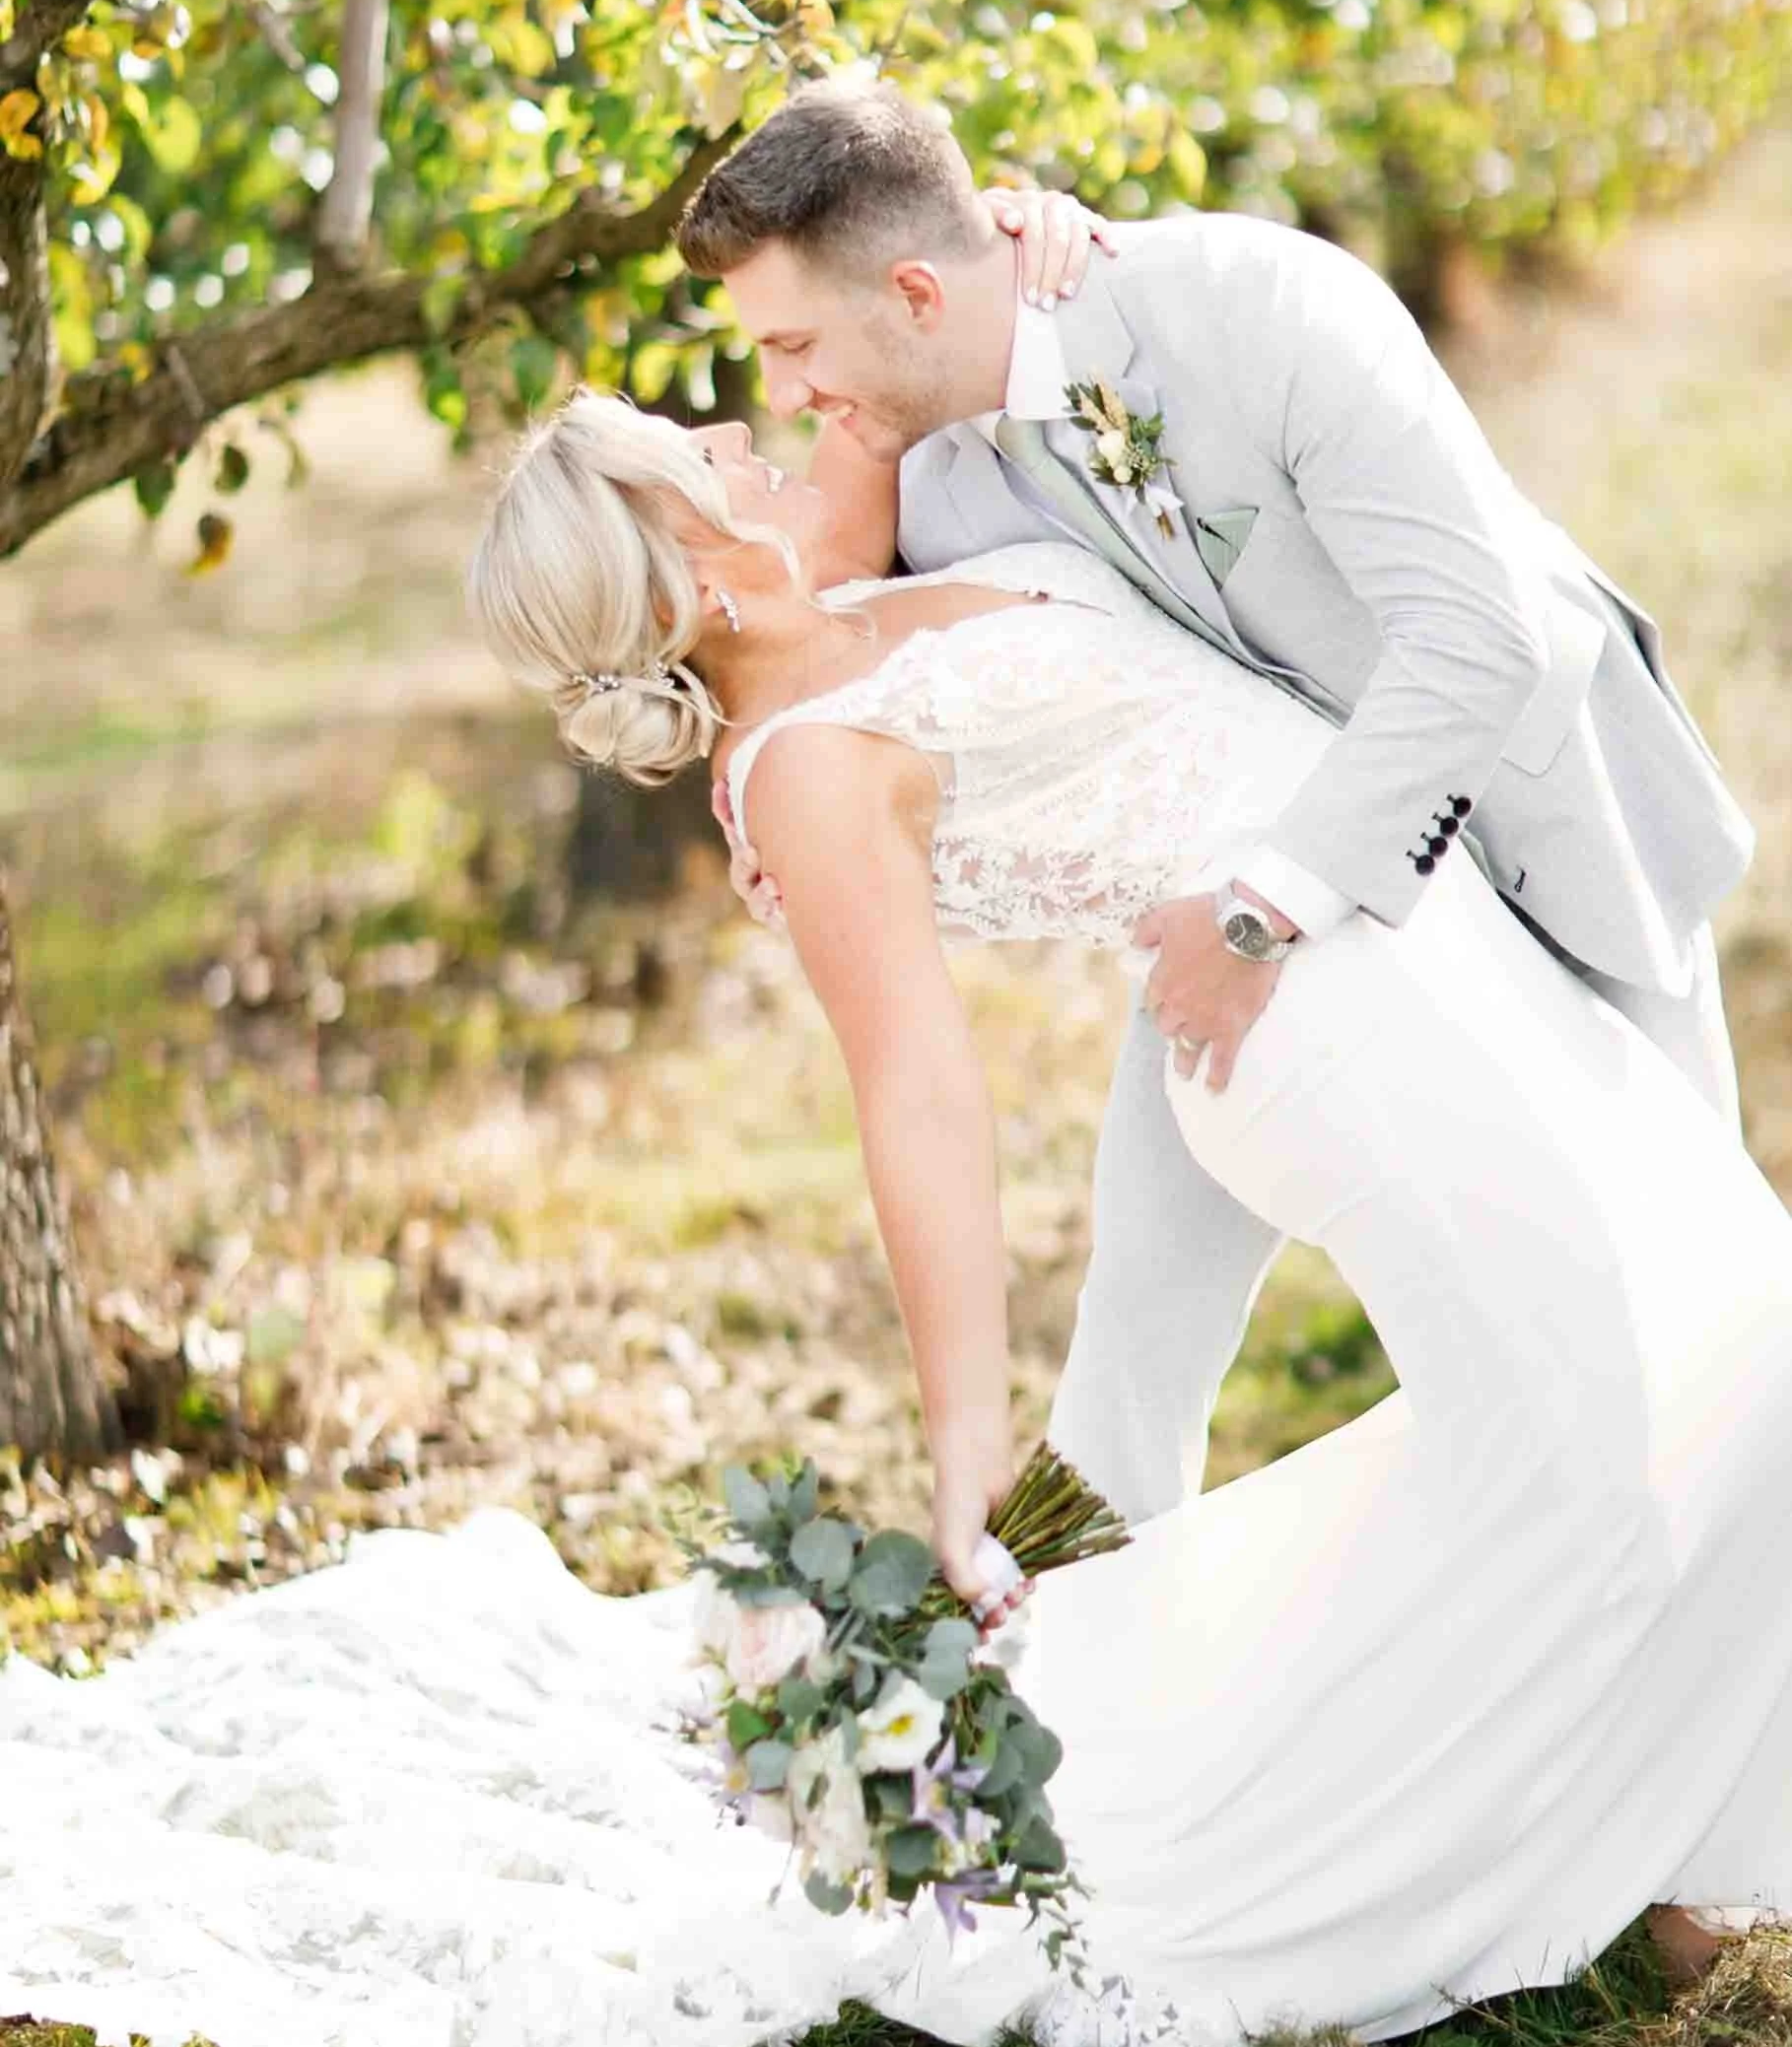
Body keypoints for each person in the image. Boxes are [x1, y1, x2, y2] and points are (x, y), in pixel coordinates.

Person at [3, 100, 1786, 2047]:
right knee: (1592, 1424)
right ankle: (1478, 1859)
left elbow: (901, 336)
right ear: (680, 555)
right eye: (715, 434)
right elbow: (915, 1095)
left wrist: (1007, 244)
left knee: (1726, 1348)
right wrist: (955, 1431)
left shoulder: (896, 532)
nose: (762, 416)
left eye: (768, 374)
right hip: (1305, 1009)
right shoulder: (809, 764)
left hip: (1427, 903)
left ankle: (1638, 1811)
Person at [676, 80, 1757, 1547]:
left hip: (1532, 814)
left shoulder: (1257, 301)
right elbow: (799, 619)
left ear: (916, 289)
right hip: (1242, 908)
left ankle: (1673, 1638)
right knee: (1135, 1337)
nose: (787, 396)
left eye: (794, 346)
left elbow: (1477, 644)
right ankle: (1019, 1690)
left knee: (1694, 1304)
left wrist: (1263, 910)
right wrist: (752, 772)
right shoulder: (938, 460)